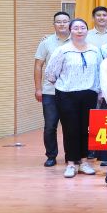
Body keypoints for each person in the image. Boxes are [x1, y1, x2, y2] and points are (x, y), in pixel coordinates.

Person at [45, 18, 101, 178]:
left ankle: (84, 162)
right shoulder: (63, 50)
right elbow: (50, 73)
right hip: (66, 94)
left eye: (83, 27)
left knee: (85, 128)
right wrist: (65, 83)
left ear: (87, 30)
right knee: (70, 129)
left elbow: (99, 71)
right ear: (70, 31)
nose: (79, 31)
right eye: (76, 28)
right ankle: (71, 163)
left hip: (89, 93)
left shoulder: (94, 50)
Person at [34, 11, 72, 166]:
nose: (62, 24)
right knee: (50, 126)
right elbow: (38, 65)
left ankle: (71, 155)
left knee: (70, 126)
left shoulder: (77, 40)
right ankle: (51, 156)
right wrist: (38, 88)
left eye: (65, 21)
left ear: (70, 23)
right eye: (58, 22)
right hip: (50, 91)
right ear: (54, 24)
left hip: (70, 91)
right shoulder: (46, 42)